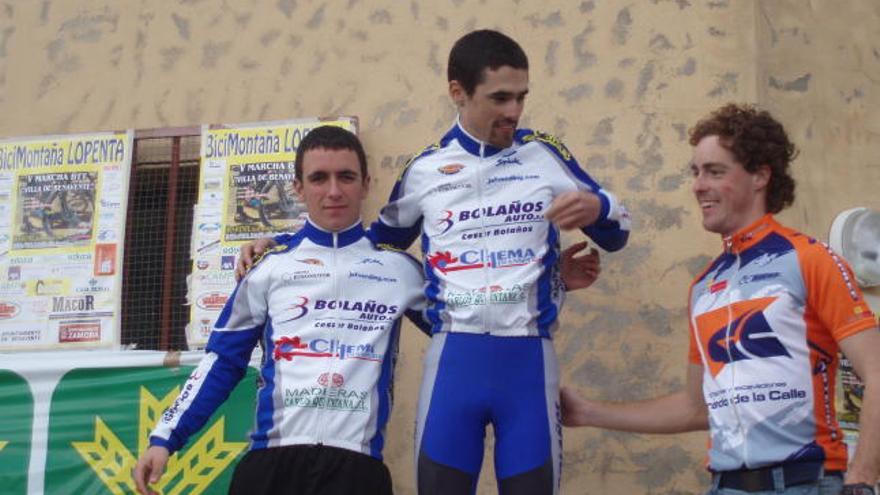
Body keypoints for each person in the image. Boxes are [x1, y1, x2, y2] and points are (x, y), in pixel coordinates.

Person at [238, 29, 629, 494]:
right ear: (458, 94)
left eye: (521, 97)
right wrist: (282, 244)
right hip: (453, 362)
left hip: (528, 359)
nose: (514, 111)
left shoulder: (543, 155)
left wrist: (597, 209)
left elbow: (617, 234)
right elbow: (367, 250)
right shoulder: (425, 171)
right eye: (500, 98)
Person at [560, 103, 880, 495]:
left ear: (761, 175)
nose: (698, 185)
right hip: (724, 485)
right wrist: (589, 411)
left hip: (804, 482)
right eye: (695, 172)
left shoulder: (809, 258)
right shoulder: (703, 286)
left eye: (715, 171)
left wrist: (862, 479)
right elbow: (696, 407)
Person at [133, 126, 429, 495]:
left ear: (366, 184)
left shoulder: (399, 270)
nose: (334, 191)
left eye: (346, 177)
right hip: (272, 466)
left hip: (357, 469)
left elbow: (464, 328)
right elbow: (223, 361)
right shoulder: (269, 266)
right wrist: (166, 437)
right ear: (299, 189)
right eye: (319, 178)